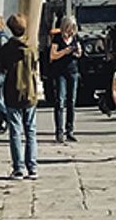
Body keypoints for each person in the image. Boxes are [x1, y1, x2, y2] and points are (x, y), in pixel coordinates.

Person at [0, 13, 39, 179]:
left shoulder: (7, 48)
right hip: (30, 91)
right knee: (31, 130)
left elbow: (1, 65)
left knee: (15, 130)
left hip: (12, 91)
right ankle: (33, 167)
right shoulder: (31, 48)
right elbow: (35, 66)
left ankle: (18, 168)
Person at [48, 15, 81, 143]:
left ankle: (70, 130)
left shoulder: (75, 38)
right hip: (60, 72)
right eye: (68, 27)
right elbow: (53, 55)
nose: (69, 30)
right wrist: (65, 51)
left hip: (73, 71)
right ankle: (59, 131)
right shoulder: (57, 38)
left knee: (71, 101)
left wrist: (77, 51)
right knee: (60, 101)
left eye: (72, 27)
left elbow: (79, 54)